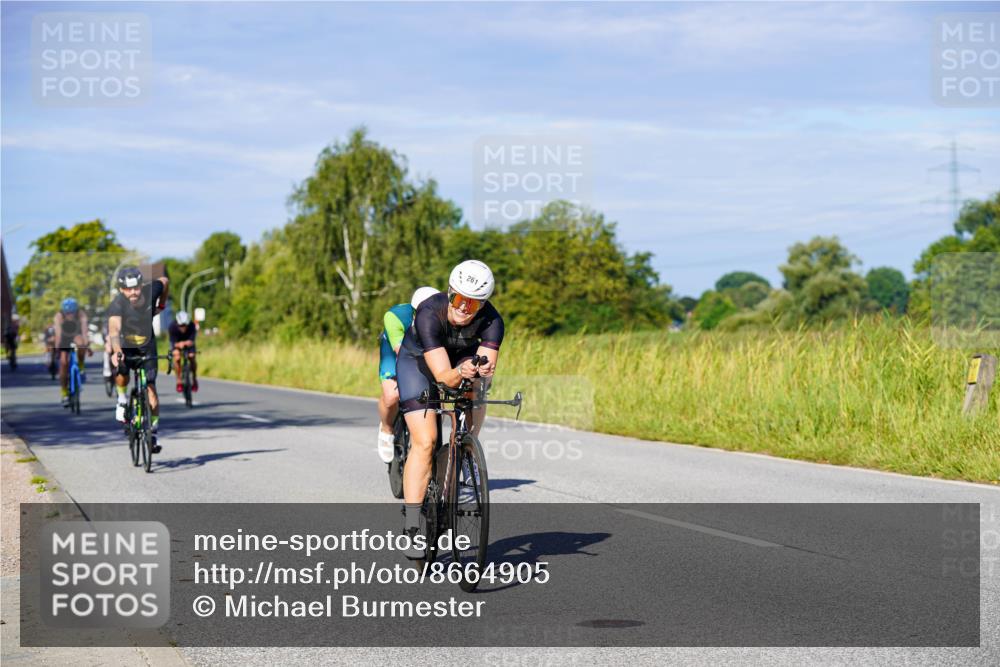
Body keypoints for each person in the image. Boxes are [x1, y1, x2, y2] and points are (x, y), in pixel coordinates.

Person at [394, 260, 503, 558]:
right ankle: (414, 525)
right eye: (459, 299)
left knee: (477, 390)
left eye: (474, 303)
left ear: (483, 305)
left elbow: (485, 365)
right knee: (426, 441)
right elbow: (443, 376)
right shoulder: (430, 312)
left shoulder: (494, 321)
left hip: (461, 361)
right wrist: (463, 371)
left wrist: (480, 372)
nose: (465, 308)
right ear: (450, 292)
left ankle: (464, 449)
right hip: (419, 364)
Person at [108, 267, 169, 453]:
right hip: (125, 346)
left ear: (142, 286)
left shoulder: (152, 292)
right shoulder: (117, 304)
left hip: (147, 346)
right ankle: (121, 399)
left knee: (151, 387)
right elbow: (114, 331)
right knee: (122, 372)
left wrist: (162, 304)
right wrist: (117, 351)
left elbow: (165, 281)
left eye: (136, 288)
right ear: (121, 290)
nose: (133, 292)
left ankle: (154, 431)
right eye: (127, 289)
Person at [376, 286, 440, 463]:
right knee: (392, 395)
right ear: (414, 311)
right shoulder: (395, 317)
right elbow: (402, 354)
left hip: (425, 351)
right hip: (396, 351)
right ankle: (387, 429)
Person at [54, 298, 91, 406]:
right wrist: (57, 349)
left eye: (72, 313)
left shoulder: (81, 314)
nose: (70, 315)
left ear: (76, 311)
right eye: (67, 313)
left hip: (76, 334)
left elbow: (84, 331)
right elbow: (58, 334)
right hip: (64, 337)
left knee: (81, 344)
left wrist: (86, 344)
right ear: (64, 312)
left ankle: (80, 365)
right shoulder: (59, 316)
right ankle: (64, 392)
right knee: (64, 362)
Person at [169, 310, 198, 393]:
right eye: (181, 325)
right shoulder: (172, 327)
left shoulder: (192, 326)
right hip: (176, 344)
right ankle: (178, 380)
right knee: (177, 357)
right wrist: (179, 345)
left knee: (192, 356)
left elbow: (192, 341)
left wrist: (184, 343)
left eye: (185, 325)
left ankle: (194, 379)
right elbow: (172, 343)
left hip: (188, 344)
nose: (183, 327)